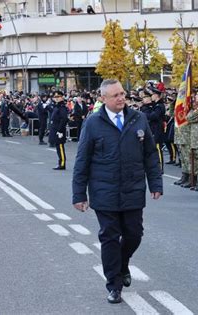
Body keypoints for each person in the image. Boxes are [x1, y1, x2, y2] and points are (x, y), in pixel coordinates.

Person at [72, 79, 163, 304]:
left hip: (133, 188)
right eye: (115, 95)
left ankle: (122, 265)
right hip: (104, 192)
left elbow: (150, 154)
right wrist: (79, 194)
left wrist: (156, 184)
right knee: (110, 238)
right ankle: (114, 285)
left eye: (122, 93)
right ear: (103, 98)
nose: (121, 98)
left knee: (134, 234)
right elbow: (82, 160)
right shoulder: (93, 123)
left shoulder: (137, 118)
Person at [48, 91, 69, 170]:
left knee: (60, 147)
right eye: (55, 97)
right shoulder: (57, 106)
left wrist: (60, 130)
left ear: (62, 97)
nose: (56, 99)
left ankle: (62, 163)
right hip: (55, 129)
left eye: (58, 97)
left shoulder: (62, 107)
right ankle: (60, 163)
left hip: (59, 130)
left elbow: (64, 119)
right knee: (58, 147)